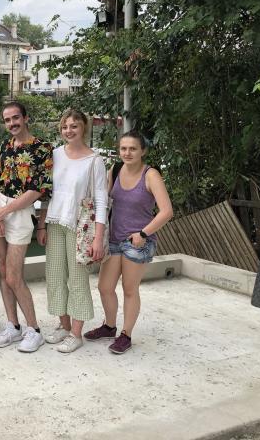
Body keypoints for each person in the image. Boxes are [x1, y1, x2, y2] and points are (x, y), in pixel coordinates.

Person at [85, 130, 173, 354]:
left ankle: (126, 334)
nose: (127, 152)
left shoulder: (151, 175)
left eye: (133, 148)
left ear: (143, 150)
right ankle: (109, 326)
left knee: (129, 289)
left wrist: (142, 234)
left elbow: (166, 212)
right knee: (105, 287)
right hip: (114, 239)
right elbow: (103, 201)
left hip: (138, 241)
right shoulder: (114, 169)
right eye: (123, 148)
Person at [0, 101, 53, 353]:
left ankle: (33, 329)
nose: (12, 123)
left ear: (26, 118)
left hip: (20, 210)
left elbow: (37, 190)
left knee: (14, 275)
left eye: (15, 118)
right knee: (2, 271)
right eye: (7, 120)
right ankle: (13, 325)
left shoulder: (42, 148)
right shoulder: (4, 145)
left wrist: (4, 212)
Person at [39, 109, 107, 353]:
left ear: (83, 128)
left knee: (77, 280)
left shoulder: (94, 160)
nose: (69, 130)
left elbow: (101, 200)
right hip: (55, 223)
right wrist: (41, 223)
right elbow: (47, 193)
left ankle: (76, 334)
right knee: (56, 277)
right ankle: (64, 325)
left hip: (82, 226)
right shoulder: (55, 155)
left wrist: (98, 238)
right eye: (65, 126)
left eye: (74, 126)